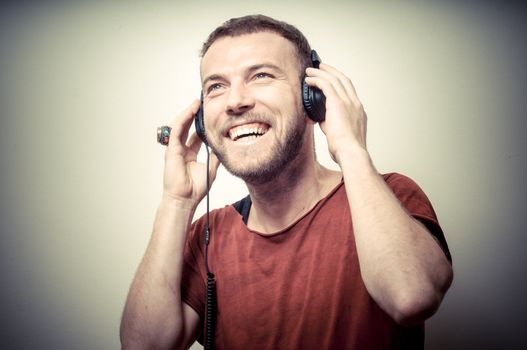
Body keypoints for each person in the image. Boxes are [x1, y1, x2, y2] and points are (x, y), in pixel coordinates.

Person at [120, 14, 453, 350]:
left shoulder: (390, 196)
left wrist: (350, 147)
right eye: (217, 86)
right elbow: (143, 347)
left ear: (314, 98)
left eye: (261, 76)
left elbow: (412, 296)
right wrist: (176, 202)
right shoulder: (208, 234)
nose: (235, 102)